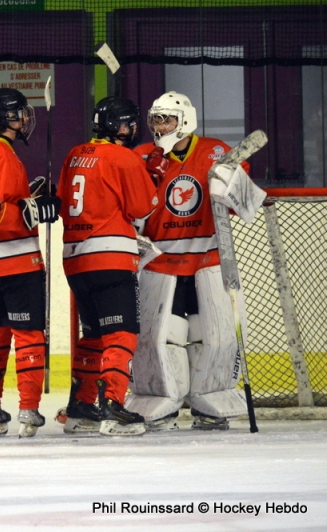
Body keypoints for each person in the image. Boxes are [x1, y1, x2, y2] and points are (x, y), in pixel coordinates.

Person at [129, 91, 265, 431]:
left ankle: (212, 402)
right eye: (156, 119)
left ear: (185, 120)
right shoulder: (141, 156)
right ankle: (160, 402)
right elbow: (129, 209)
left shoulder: (216, 152)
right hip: (160, 265)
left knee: (215, 336)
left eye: (167, 119)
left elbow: (247, 205)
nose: (160, 126)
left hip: (208, 263)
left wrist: (230, 183)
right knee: (161, 338)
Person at [56, 97, 158, 437]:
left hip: (75, 259)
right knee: (121, 331)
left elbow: (61, 202)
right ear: (123, 127)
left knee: (94, 334)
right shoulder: (124, 157)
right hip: (111, 257)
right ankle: (113, 404)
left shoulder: (74, 154)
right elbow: (143, 208)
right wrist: (151, 179)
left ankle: (81, 406)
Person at [0, 88, 60, 438]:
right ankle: (28, 410)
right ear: (7, 119)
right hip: (17, 264)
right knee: (29, 334)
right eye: (20, 113)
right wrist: (32, 210)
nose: (25, 120)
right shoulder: (2, 155)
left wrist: (27, 198)